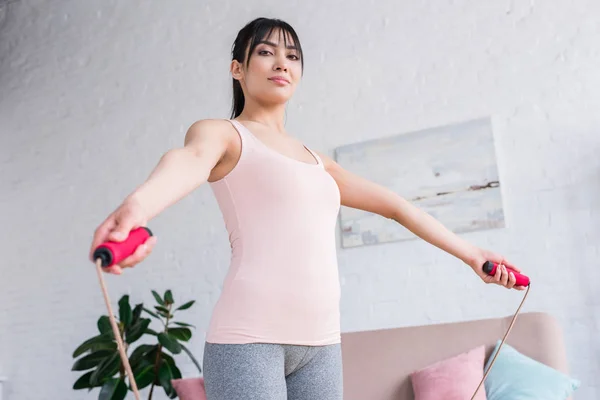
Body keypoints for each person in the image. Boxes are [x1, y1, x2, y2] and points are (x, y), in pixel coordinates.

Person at [89, 17, 526, 400]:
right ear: (237, 69)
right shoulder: (223, 134)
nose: (282, 63)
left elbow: (397, 207)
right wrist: (137, 207)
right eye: (266, 52)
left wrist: (473, 254)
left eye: (292, 56)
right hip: (248, 341)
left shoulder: (319, 163)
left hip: (321, 345)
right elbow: (185, 163)